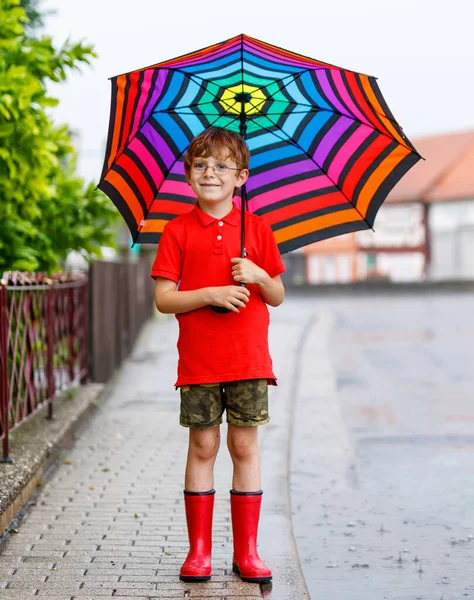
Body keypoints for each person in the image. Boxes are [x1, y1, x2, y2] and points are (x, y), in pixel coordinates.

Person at [151, 127, 285, 584]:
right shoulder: (177, 230)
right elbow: (164, 300)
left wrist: (258, 273)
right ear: (189, 174)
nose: (211, 173)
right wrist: (208, 292)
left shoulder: (259, 229)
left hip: (248, 359)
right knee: (203, 444)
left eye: (222, 166)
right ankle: (199, 552)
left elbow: (278, 294)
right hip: (200, 361)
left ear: (241, 177)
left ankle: (247, 552)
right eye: (201, 165)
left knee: (244, 444)